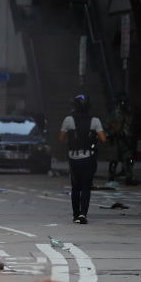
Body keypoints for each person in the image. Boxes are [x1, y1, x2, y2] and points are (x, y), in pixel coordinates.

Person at [60, 94, 106, 224]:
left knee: (75, 187)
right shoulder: (95, 120)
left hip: (74, 158)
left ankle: (75, 215)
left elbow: (62, 138)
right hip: (88, 158)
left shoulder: (68, 120)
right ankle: (83, 214)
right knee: (86, 186)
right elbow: (103, 138)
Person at [106, 97, 134, 184]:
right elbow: (109, 123)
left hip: (125, 140)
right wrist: (115, 130)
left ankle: (129, 177)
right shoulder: (115, 113)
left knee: (129, 159)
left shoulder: (128, 113)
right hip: (116, 140)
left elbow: (129, 126)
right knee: (114, 160)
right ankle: (111, 177)